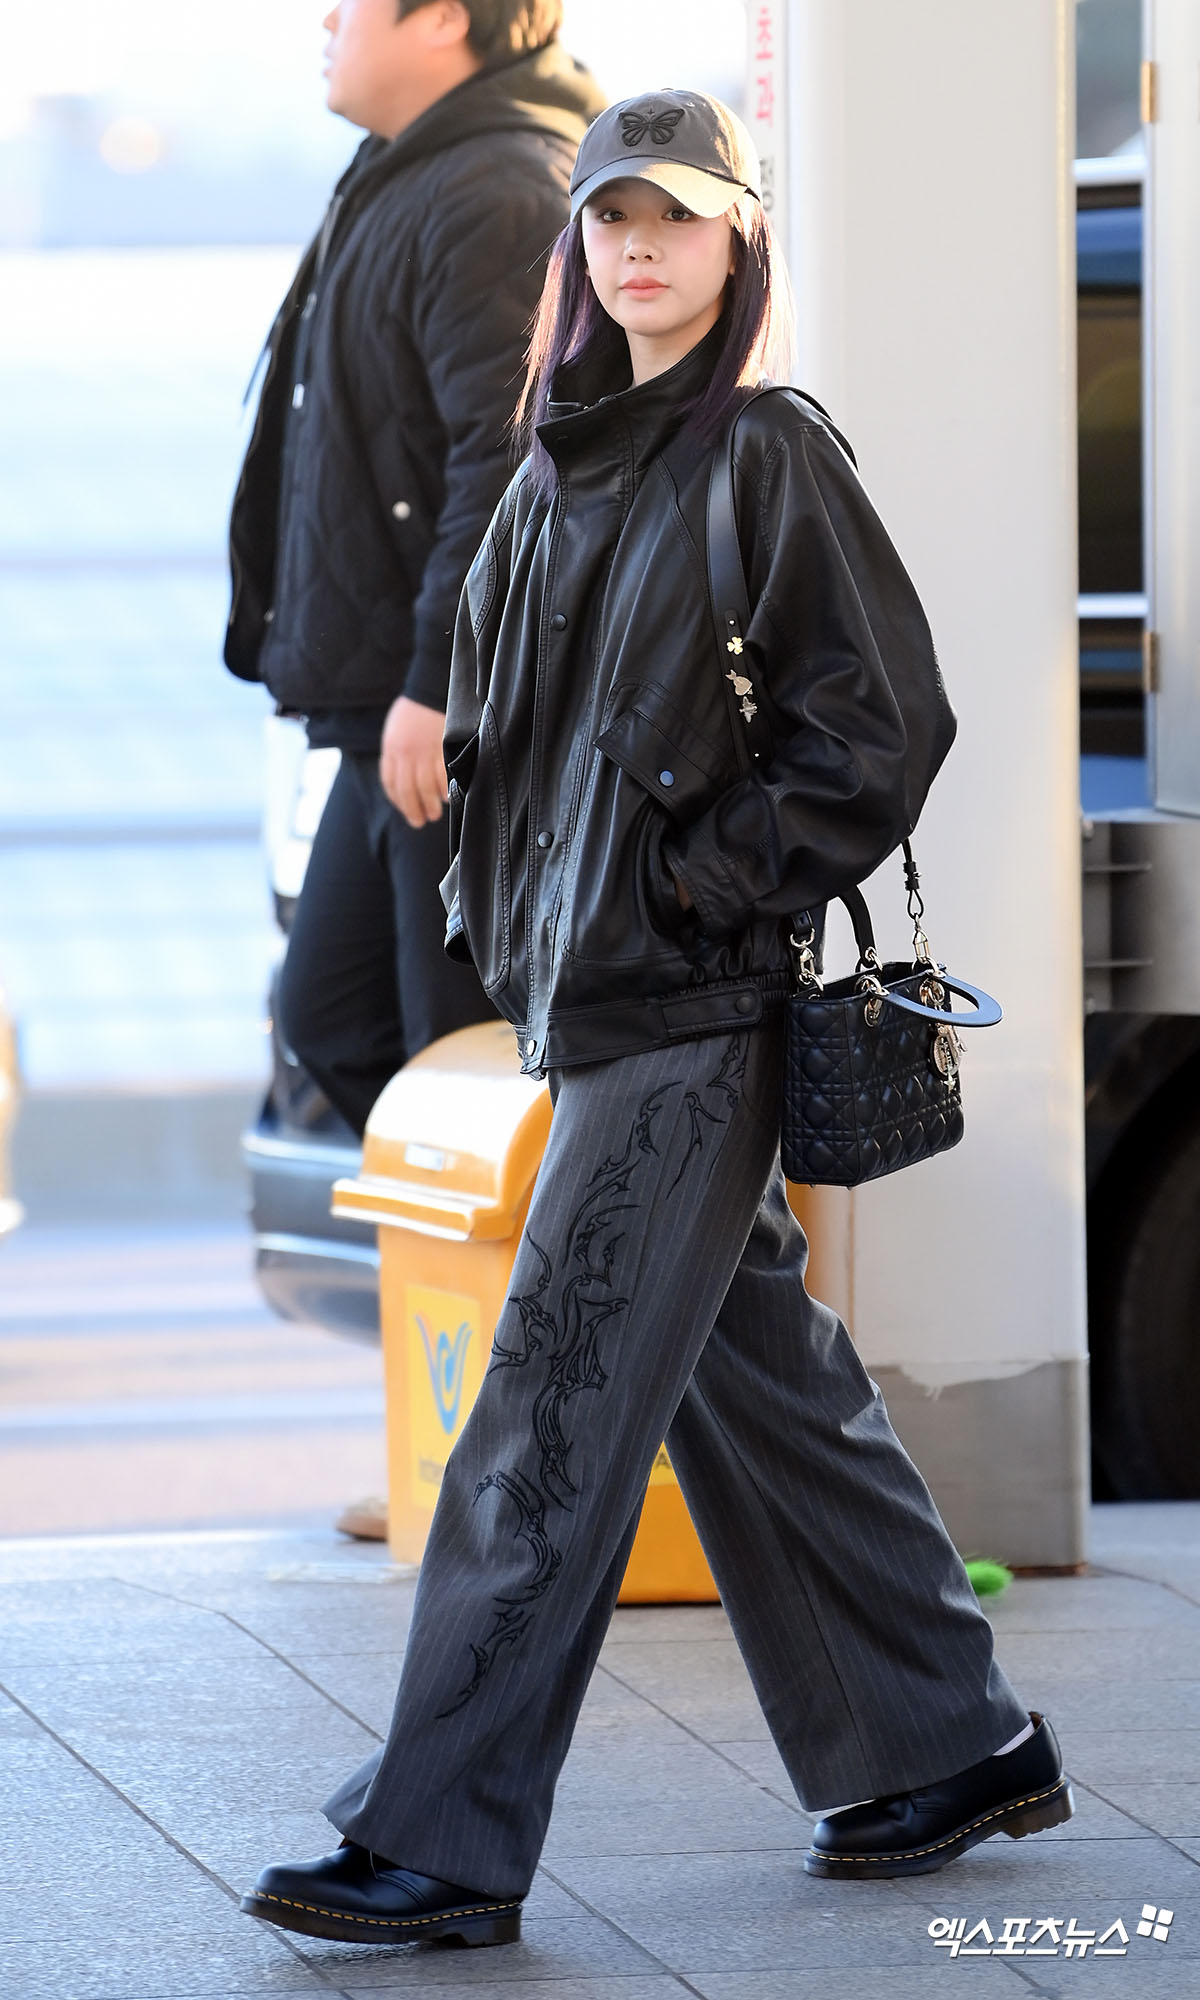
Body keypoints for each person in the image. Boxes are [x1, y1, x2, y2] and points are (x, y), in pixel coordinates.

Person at [241, 87, 1073, 1950]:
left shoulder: (765, 453)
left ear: (735, 243)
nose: (639, 247)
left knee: (543, 1408)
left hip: (697, 1006)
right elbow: (516, 739)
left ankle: (442, 1840)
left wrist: (706, 883)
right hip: (595, 1000)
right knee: (759, 1383)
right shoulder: (558, 463)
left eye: (677, 219)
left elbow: (885, 726)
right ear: (581, 243)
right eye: (613, 217)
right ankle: (955, 1743)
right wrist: (502, 901)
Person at [224, 0, 606, 1139]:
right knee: (338, 1020)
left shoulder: (497, 189)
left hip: (448, 721)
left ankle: (536, 1257)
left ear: (443, 16)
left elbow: (511, 465)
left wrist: (445, 683)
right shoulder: (414, 170)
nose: (325, 20)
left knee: (460, 1053)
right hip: (389, 709)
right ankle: (466, 1248)